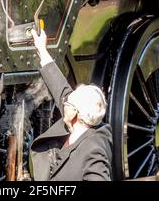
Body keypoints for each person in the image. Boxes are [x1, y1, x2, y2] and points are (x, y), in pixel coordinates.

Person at [30, 28, 113, 181]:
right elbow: (61, 89)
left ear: (75, 113)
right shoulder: (80, 119)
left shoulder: (94, 151)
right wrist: (42, 49)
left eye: (67, 103)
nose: (64, 102)